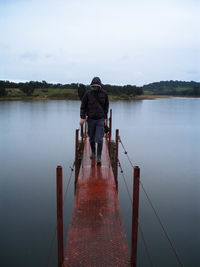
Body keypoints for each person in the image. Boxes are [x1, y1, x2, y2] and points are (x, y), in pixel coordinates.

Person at [80, 77, 109, 164]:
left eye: (97, 86)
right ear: (92, 86)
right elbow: (83, 106)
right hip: (91, 119)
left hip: (100, 119)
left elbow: (106, 107)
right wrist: (82, 117)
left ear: (100, 86)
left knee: (99, 138)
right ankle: (93, 152)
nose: (95, 87)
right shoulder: (88, 94)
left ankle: (99, 156)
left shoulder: (104, 94)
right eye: (94, 86)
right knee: (91, 138)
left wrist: (105, 118)